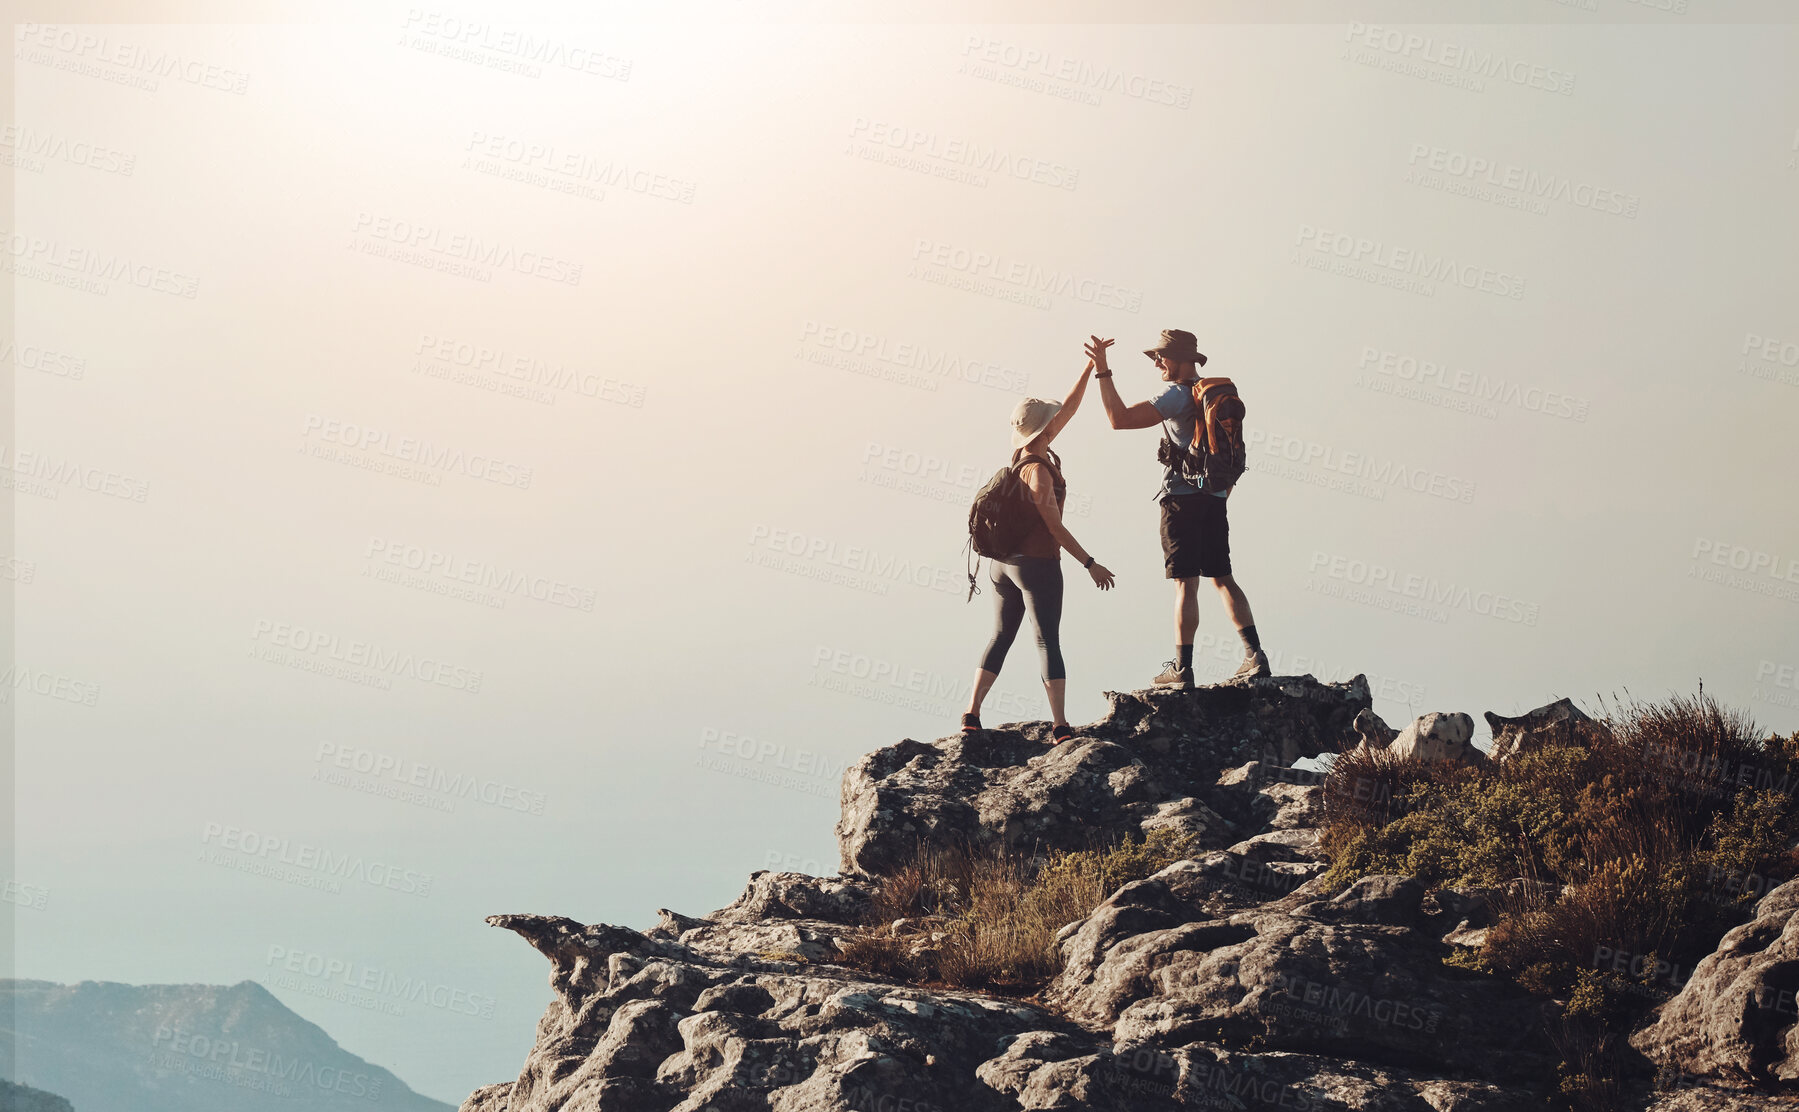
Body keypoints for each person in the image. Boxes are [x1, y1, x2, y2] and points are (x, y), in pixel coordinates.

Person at [1086, 330, 1270, 687]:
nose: (1157, 363)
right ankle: (1255, 655)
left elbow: (1118, 419)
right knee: (1222, 577)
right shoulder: (1214, 395)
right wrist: (1216, 494)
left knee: (1185, 584)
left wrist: (1103, 372)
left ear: (1182, 358)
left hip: (1180, 501)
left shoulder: (1175, 394)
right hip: (1214, 498)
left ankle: (1182, 669)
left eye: (1161, 356)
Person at [963, 359, 1116, 743]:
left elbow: (1069, 407)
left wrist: (1093, 366)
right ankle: (1061, 725)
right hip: (1035, 565)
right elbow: (1053, 526)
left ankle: (971, 713)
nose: (1056, 421)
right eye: (1051, 420)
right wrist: (1090, 563)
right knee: (1047, 639)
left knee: (1000, 636)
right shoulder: (1039, 469)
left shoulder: (1023, 456)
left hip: (1001, 565)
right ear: (1044, 428)